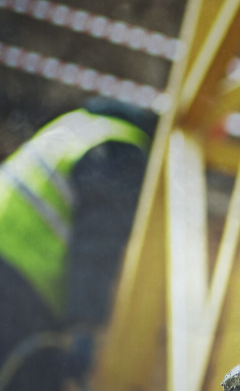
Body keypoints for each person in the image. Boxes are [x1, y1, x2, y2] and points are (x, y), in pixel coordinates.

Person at [0, 98, 155, 391]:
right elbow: (97, 246)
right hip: (18, 284)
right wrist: (84, 326)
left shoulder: (80, 124)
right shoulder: (123, 149)